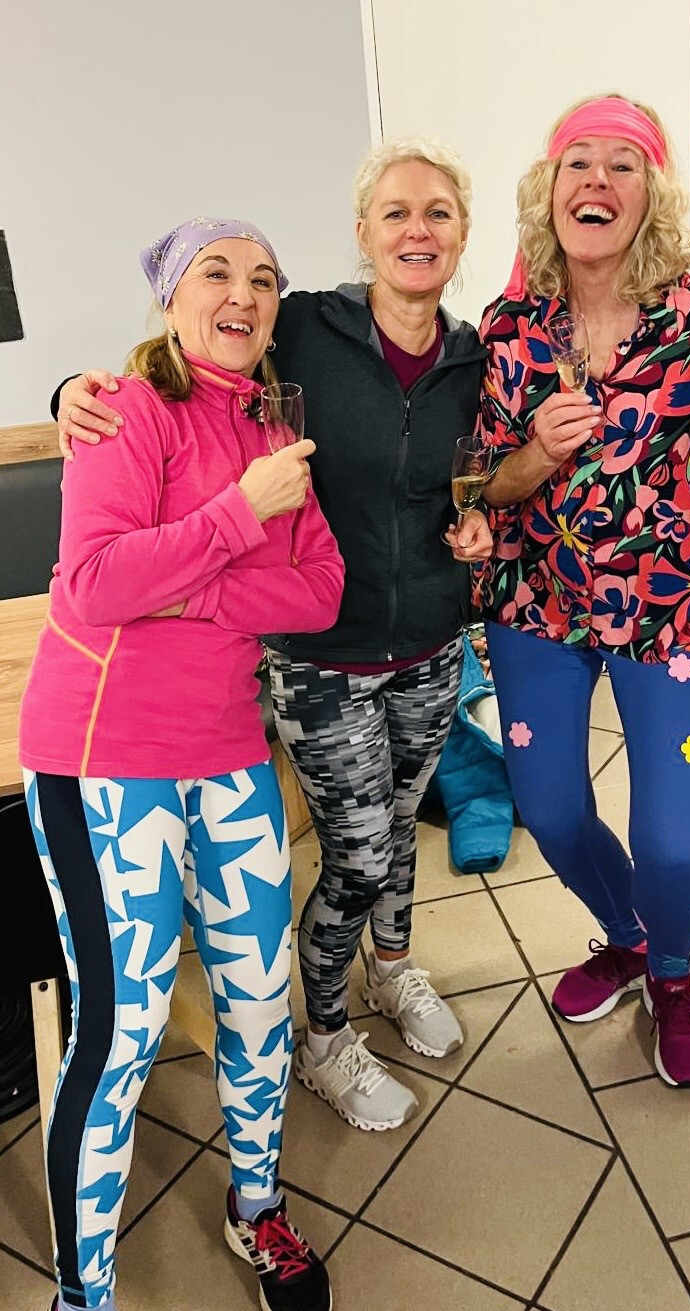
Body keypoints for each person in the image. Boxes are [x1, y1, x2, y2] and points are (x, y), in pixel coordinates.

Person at [54, 138, 492, 1135]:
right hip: (319, 657)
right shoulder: (299, 326)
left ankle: (392, 969)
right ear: (363, 232)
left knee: (402, 827)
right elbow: (190, 347)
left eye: (437, 212)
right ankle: (325, 1037)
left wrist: (482, 521)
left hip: (432, 641)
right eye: (395, 211)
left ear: (462, 233)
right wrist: (71, 390)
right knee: (357, 853)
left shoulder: (478, 354)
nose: (416, 230)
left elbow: (487, 469)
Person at [22, 218, 343, 1311]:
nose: (243, 293)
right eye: (218, 272)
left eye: (264, 279)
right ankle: (84, 1294)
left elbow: (320, 591)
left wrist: (189, 584)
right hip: (104, 761)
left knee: (258, 1001)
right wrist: (238, 517)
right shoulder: (121, 409)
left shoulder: (274, 428)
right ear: (171, 295)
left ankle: (259, 1208)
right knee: (124, 1032)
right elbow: (95, 586)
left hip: (228, 756)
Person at [478, 95, 690, 1088]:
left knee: (673, 843)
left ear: (652, 194)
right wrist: (534, 456)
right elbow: (482, 484)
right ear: (549, 192)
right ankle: (630, 937)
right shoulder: (509, 330)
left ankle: (671, 968)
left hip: (674, 615)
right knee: (548, 810)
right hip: (537, 608)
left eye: (621, 163)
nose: (595, 180)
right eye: (576, 162)